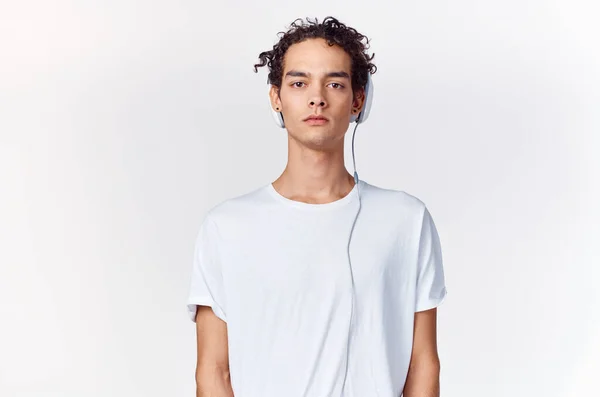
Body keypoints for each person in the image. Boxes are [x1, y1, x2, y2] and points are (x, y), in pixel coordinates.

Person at [186, 16, 447, 397]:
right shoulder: (226, 226)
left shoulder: (406, 220)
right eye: (299, 82)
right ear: (276, 97)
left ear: (359, 100)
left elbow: (423, 363)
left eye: (335, 83)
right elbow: (213, 370)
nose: (317, 97)